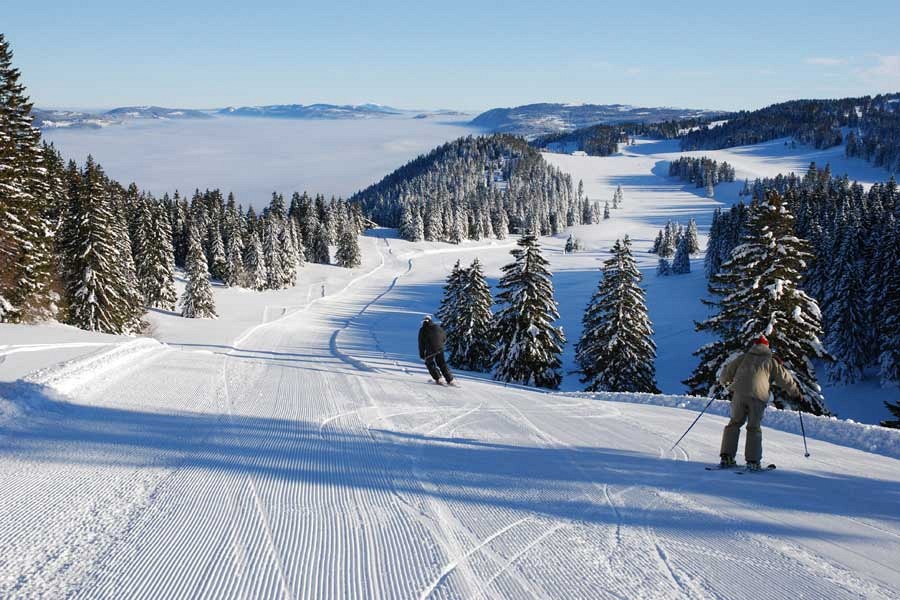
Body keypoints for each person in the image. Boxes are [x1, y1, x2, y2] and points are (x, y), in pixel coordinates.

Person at [718, 335, 800, 470]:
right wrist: (796, 394)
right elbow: (785, 379)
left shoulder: (743, 357)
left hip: (739, 394)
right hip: (758, 397)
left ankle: (726, 457)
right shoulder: (771, 361)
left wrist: (724, 381)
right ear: (767, 347)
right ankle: (753, 462)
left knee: (734, 424)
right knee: (753, 427)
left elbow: (726, 372)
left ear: (754, 345)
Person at [418, 315, 454, 385]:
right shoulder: (438, 327)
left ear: (423, 322)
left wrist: (422, 354)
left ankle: (438, 378)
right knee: (442, 363)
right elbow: (444, 337)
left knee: (429, 363)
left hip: (430, 349)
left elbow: (421, 343)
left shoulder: (422, 329)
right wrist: (441, 344)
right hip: (440, 348)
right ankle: (450, 380)